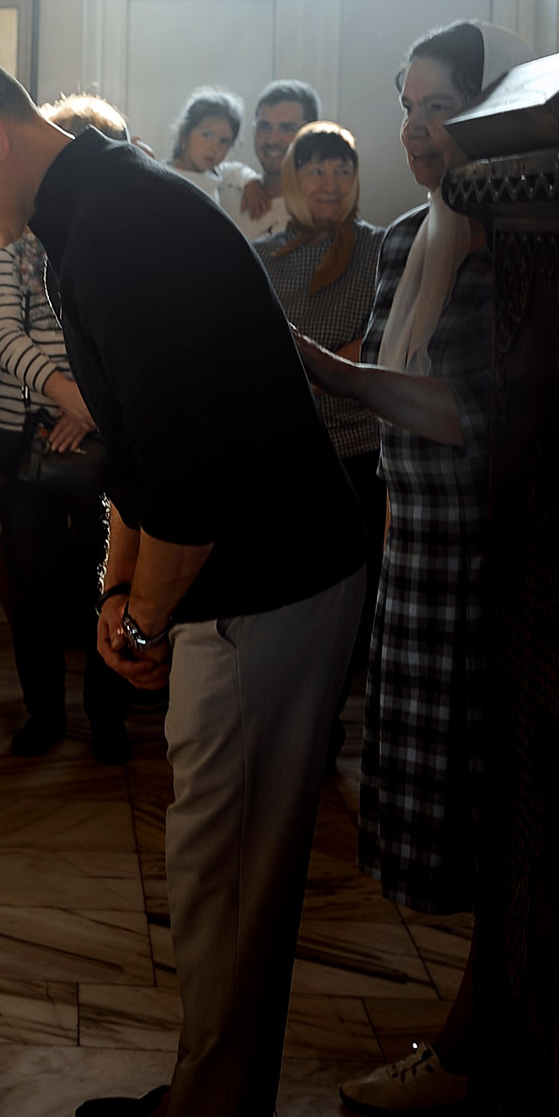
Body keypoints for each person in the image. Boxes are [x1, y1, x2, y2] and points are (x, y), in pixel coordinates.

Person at [0, 45, 363, 1117]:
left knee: (233, 887)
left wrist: (142, 618)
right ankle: (199, 1105)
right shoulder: (85, 213)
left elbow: (194, 474)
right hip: (221, 579)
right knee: (204, 878)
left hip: (268, 582)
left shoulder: (124, 225)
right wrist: (114, 583)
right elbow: (135, 433)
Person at [292, 19, 534, 1116]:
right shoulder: (406, 236)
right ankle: (472, 1031)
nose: (417, 130)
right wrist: (339, 378)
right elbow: (392, 390)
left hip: (492, 550)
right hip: (416, 532)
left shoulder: (528, 240)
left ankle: (482, 1038)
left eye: (440, 108)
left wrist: (315, 367)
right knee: (423, 787)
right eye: (408, 106)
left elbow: (457, 412)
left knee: (492, 800)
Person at [0, 93, 135, 761]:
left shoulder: (130, 242)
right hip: (28, 440)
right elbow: (2, 331)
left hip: (109, 443)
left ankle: (108, 718)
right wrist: (65, 395)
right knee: (34, 586)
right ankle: (43, 712)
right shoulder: (16, 242)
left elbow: (130, 337)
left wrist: (89, 406)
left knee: (111, 583)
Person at [254, 121, 385, 751]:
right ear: (293, 179)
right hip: (284, 450)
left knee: (347, 602)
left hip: (359, 450)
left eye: (341, 169)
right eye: (315, 170)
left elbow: (385, 336)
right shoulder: (261, 256)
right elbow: (250, 340)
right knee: (286, 596)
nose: (328, 183)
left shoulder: (385, 249)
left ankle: (326, 720)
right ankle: (285, 719)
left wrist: (324, 380)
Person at [165, 86, 286, 241]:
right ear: (183, 133)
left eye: (224, 141)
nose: (215, 147)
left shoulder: (216, 172)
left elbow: (236, 170)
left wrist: (251, 182)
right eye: (207, 135)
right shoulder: (164, 174)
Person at [250, 78, 320, 191]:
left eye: (287, 128)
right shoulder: (223, 193)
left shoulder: (324, 204)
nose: (272, 140)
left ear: (312, 136)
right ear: (254, 131)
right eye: (264, 127)